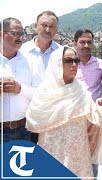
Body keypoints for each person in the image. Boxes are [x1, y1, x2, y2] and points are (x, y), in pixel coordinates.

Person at [26, 46, 102, 178]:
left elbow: (97, 118)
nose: (74, 65)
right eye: (68, 61)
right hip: (52, 151)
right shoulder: (43, 92)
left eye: (76, 60)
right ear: (57, 64)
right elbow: (33, 120)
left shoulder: (80, 90)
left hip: (77, 154)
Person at [20, 10, 61, 143]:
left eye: (52, 26)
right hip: (26, 119)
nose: (47, 29)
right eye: (44, 25)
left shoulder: (62, 53)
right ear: (36, 25)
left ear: (56, 29)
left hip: (53, 118)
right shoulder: (21, 51)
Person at [0, 17, 42, 144]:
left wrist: (20, 89)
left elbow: (40, 94)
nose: (20, 38)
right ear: (1, 34)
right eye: (14, 33)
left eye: (21, 34)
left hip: (23, 130)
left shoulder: (31, 62)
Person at [73, 29, 102, 177]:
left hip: (93, 121)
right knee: (73, 159)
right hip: (73, 119)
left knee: (92, 160)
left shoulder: (100, 64)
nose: (86, 45)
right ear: (75, 43)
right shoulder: (70, 64)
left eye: (89, 42)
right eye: (82, 42)